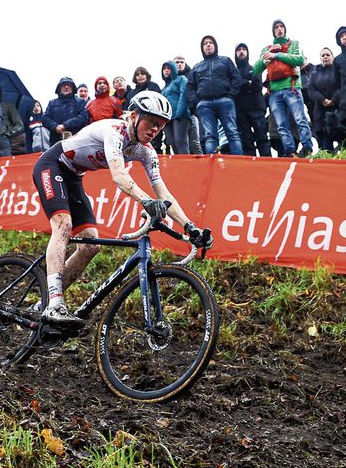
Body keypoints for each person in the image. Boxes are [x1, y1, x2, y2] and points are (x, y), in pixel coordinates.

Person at [31, 91, 212, 328]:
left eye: (161, 125)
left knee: (89, 245)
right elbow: (118, 176)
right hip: (52, 164)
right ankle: (55, 303)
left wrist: (190, 227)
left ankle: (41, 304)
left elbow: (164, 195)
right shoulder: (115, 131)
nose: (155, 129)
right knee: (63, 225)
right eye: (151, 122)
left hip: (74, 177)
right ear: (134, 116)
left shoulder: (146, 151)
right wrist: (146, 201)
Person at [251, 19, 314, 157]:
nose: (279, 29)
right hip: (274, 91)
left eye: (281, 27)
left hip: (292, 87)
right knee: (281, 124)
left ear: (285, 29)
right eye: (276, 27)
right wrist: (264, 61)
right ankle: (289, 150)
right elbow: (255, 70)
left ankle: (307, 147)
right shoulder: (266, 49)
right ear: (273, 32)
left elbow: (299, 60)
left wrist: (277, 55)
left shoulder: (294, 44)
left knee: (300, 119)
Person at [187, 35, 245, 155]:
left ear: (215, 46)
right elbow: (190, 87)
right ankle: (211, 164)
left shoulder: (226, 61)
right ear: (202, 48)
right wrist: (197, 102)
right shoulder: (197, 67)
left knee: (232, 132)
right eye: (205, 43)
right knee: (209, 136)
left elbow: (236, 79)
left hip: (225, 100)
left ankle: (238, 162)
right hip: (205, 104)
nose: (208, 45)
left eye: (210, 42)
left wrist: (230, 95)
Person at [232, 43, 273, 157]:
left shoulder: (254, 68)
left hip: (257, 109)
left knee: (262, 138)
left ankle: (268, 163)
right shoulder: (232, 72)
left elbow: (257, 86)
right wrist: (246, 83)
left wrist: (243, 84)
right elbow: (233, 88)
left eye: (244, 49)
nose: (241, 52)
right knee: (246, 141)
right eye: (239, 50)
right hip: (240, 111)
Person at [302, 47, 344, 152]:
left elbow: (343, 85)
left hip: (340, 110)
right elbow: (311, 89)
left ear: (333, 57)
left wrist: (334, 99)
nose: (325, 57)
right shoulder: (315, 74)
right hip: (322, 113)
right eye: (323, 55)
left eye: (328, 55)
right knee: (326, 147)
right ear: (320, 58)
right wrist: (323, 100)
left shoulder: (339, 71)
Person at [159, 59, 191, 155]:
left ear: (173, 69)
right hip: (168, 119)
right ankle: (180, 165)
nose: (166, 70)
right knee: (171, 142)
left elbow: (184, 94)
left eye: (169, 68)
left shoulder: (181, 79)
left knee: (180, 141)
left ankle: (187, 164)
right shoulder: (164, 88)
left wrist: (179, 113)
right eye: (164, 69)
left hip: (180, 116)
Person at [0, 79, 24, 156]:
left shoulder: (8, 106)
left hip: (3, 140)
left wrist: (7, 134)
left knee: (5, 164)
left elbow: (19, 124)